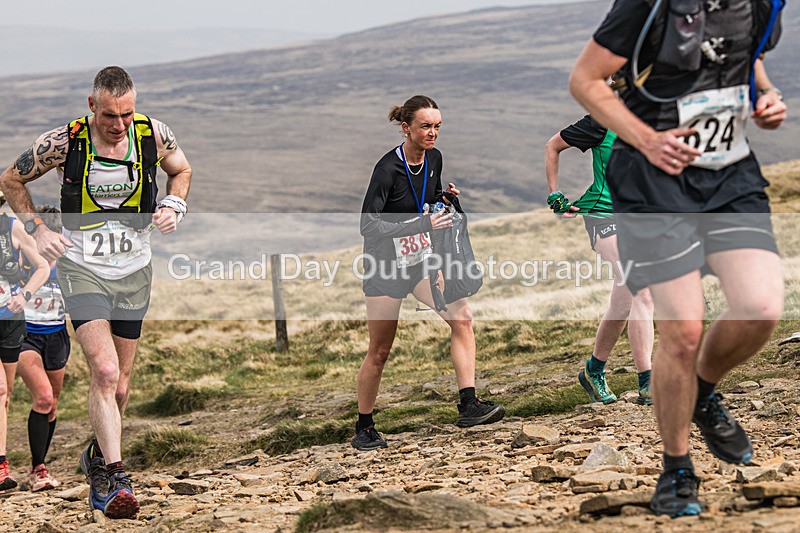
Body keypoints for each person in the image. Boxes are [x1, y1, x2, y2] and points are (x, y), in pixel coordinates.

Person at [569, 0, 785, 517]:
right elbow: (586, 80)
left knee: (760, 307)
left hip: (728, 172)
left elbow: (744, 59)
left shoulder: (761, 4)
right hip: (651, 181)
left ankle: (703, 391)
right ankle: (676, 470)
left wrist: (767, 96)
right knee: (683, 332)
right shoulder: (651, 4)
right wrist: (646, 140)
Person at [0, 66, 192, 518]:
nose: (119, 123)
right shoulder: (64, 142)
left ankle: (95, 456)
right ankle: (113, 478)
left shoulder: (154, 134)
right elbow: (11, 180)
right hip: (82, 267)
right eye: (109, 114)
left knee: (120, 389)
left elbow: (181, 170)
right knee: (104, 372)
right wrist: (37, 227)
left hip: (135, 270)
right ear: (92, 107)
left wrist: (174, 203)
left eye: (126, 113)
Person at [354, 95, 505, 451]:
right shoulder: (386, 170)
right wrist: (421, 222)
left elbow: (426, 197)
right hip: (386, 267)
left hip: (421, 260)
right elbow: (368, 226)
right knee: (380, 350)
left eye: (437, 126)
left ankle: (469, 404)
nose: (432, 133)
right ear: (406, 127)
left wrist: (445, 199)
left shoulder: (433, 158)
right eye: (425, 126)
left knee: (462, 317)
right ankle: (364, 426)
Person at [545, 115, 655, 405]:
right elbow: (553, 146)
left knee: (623, 303)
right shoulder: (601, 120)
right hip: (603, 214)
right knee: (642, 290)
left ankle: (593, 369)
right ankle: (648, 384)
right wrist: (555, 194)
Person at [10, 206, 69, 492]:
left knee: (52, 405)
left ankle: (38, 466)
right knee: (43, 397)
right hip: (26, 335)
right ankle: (39, 470)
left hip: (57, 335)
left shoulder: (70, 262)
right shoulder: (22, 257)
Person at [0, 198, 50, 493]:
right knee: (1, 390)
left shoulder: (11, 227)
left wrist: (25, 295)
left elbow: (42, 267)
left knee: (5, 398)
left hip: (10, 321)